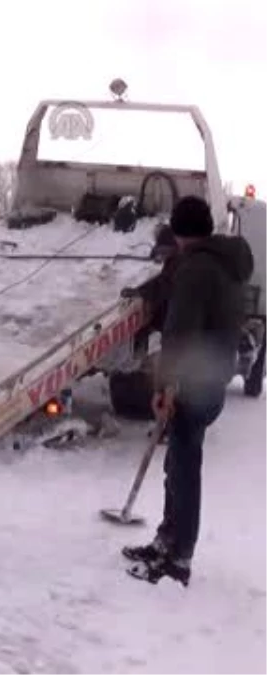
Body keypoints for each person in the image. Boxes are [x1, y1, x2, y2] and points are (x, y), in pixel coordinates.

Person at [122, 195, 254, 587]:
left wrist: (166, 387)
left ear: (181, 232)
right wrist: (146, 293)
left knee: (183, 467)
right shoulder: (219, 261)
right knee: (179, 462)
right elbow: (170, 283)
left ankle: (178, 558)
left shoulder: (197, 270)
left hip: (195, 378)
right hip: (212, 375)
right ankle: (167, 541)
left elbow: (180, 334)